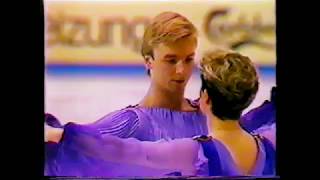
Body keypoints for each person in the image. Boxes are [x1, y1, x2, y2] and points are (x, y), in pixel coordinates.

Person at [45, 50, 275, 177]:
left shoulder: (194, 154)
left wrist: (64, 136)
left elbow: (122, 153)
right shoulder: (270, 143)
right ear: (249, 97)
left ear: (205, 98)